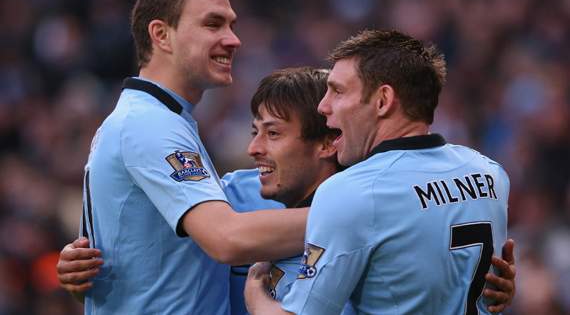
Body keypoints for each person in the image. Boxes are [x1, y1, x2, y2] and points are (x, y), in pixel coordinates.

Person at [59, 67, 515, 314]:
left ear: (327, 142)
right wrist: (84, 273)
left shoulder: (377, 216)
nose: (253, 148)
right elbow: (157, 253)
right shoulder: (232, 199)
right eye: (255, 130)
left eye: (272, 134)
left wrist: (485, 291)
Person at [75, 0, 308, 314]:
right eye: (213, 24)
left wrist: (77, 279)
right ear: (161, 35)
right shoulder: (150, 125)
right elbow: (226, 238)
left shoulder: (155, 118)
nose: (233, 39)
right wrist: (356, 214)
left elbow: (108, 272)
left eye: (231, 24)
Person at [244, 30, 512, 315]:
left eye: (338, 91)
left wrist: (255, 293)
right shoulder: (491, 173)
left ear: (383, 100)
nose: (323, 106)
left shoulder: (352, 192)